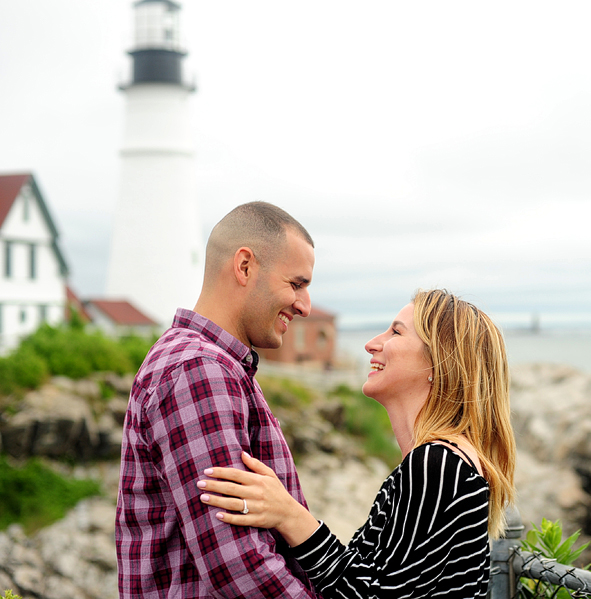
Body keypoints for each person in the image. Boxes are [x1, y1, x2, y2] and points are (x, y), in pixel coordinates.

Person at [196, 289, 517, 598]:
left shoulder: (439, 465)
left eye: (396, 333)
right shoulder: (439, 461)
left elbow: (372, 595)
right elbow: (373, 580)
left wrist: (289, 516)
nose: (371, 344)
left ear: (438, 363)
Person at [116, 201, 321, 598]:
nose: (305, 306)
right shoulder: (198, 370)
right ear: (244, 266)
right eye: (296, 284)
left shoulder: (212, 365)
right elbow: (235, 564)